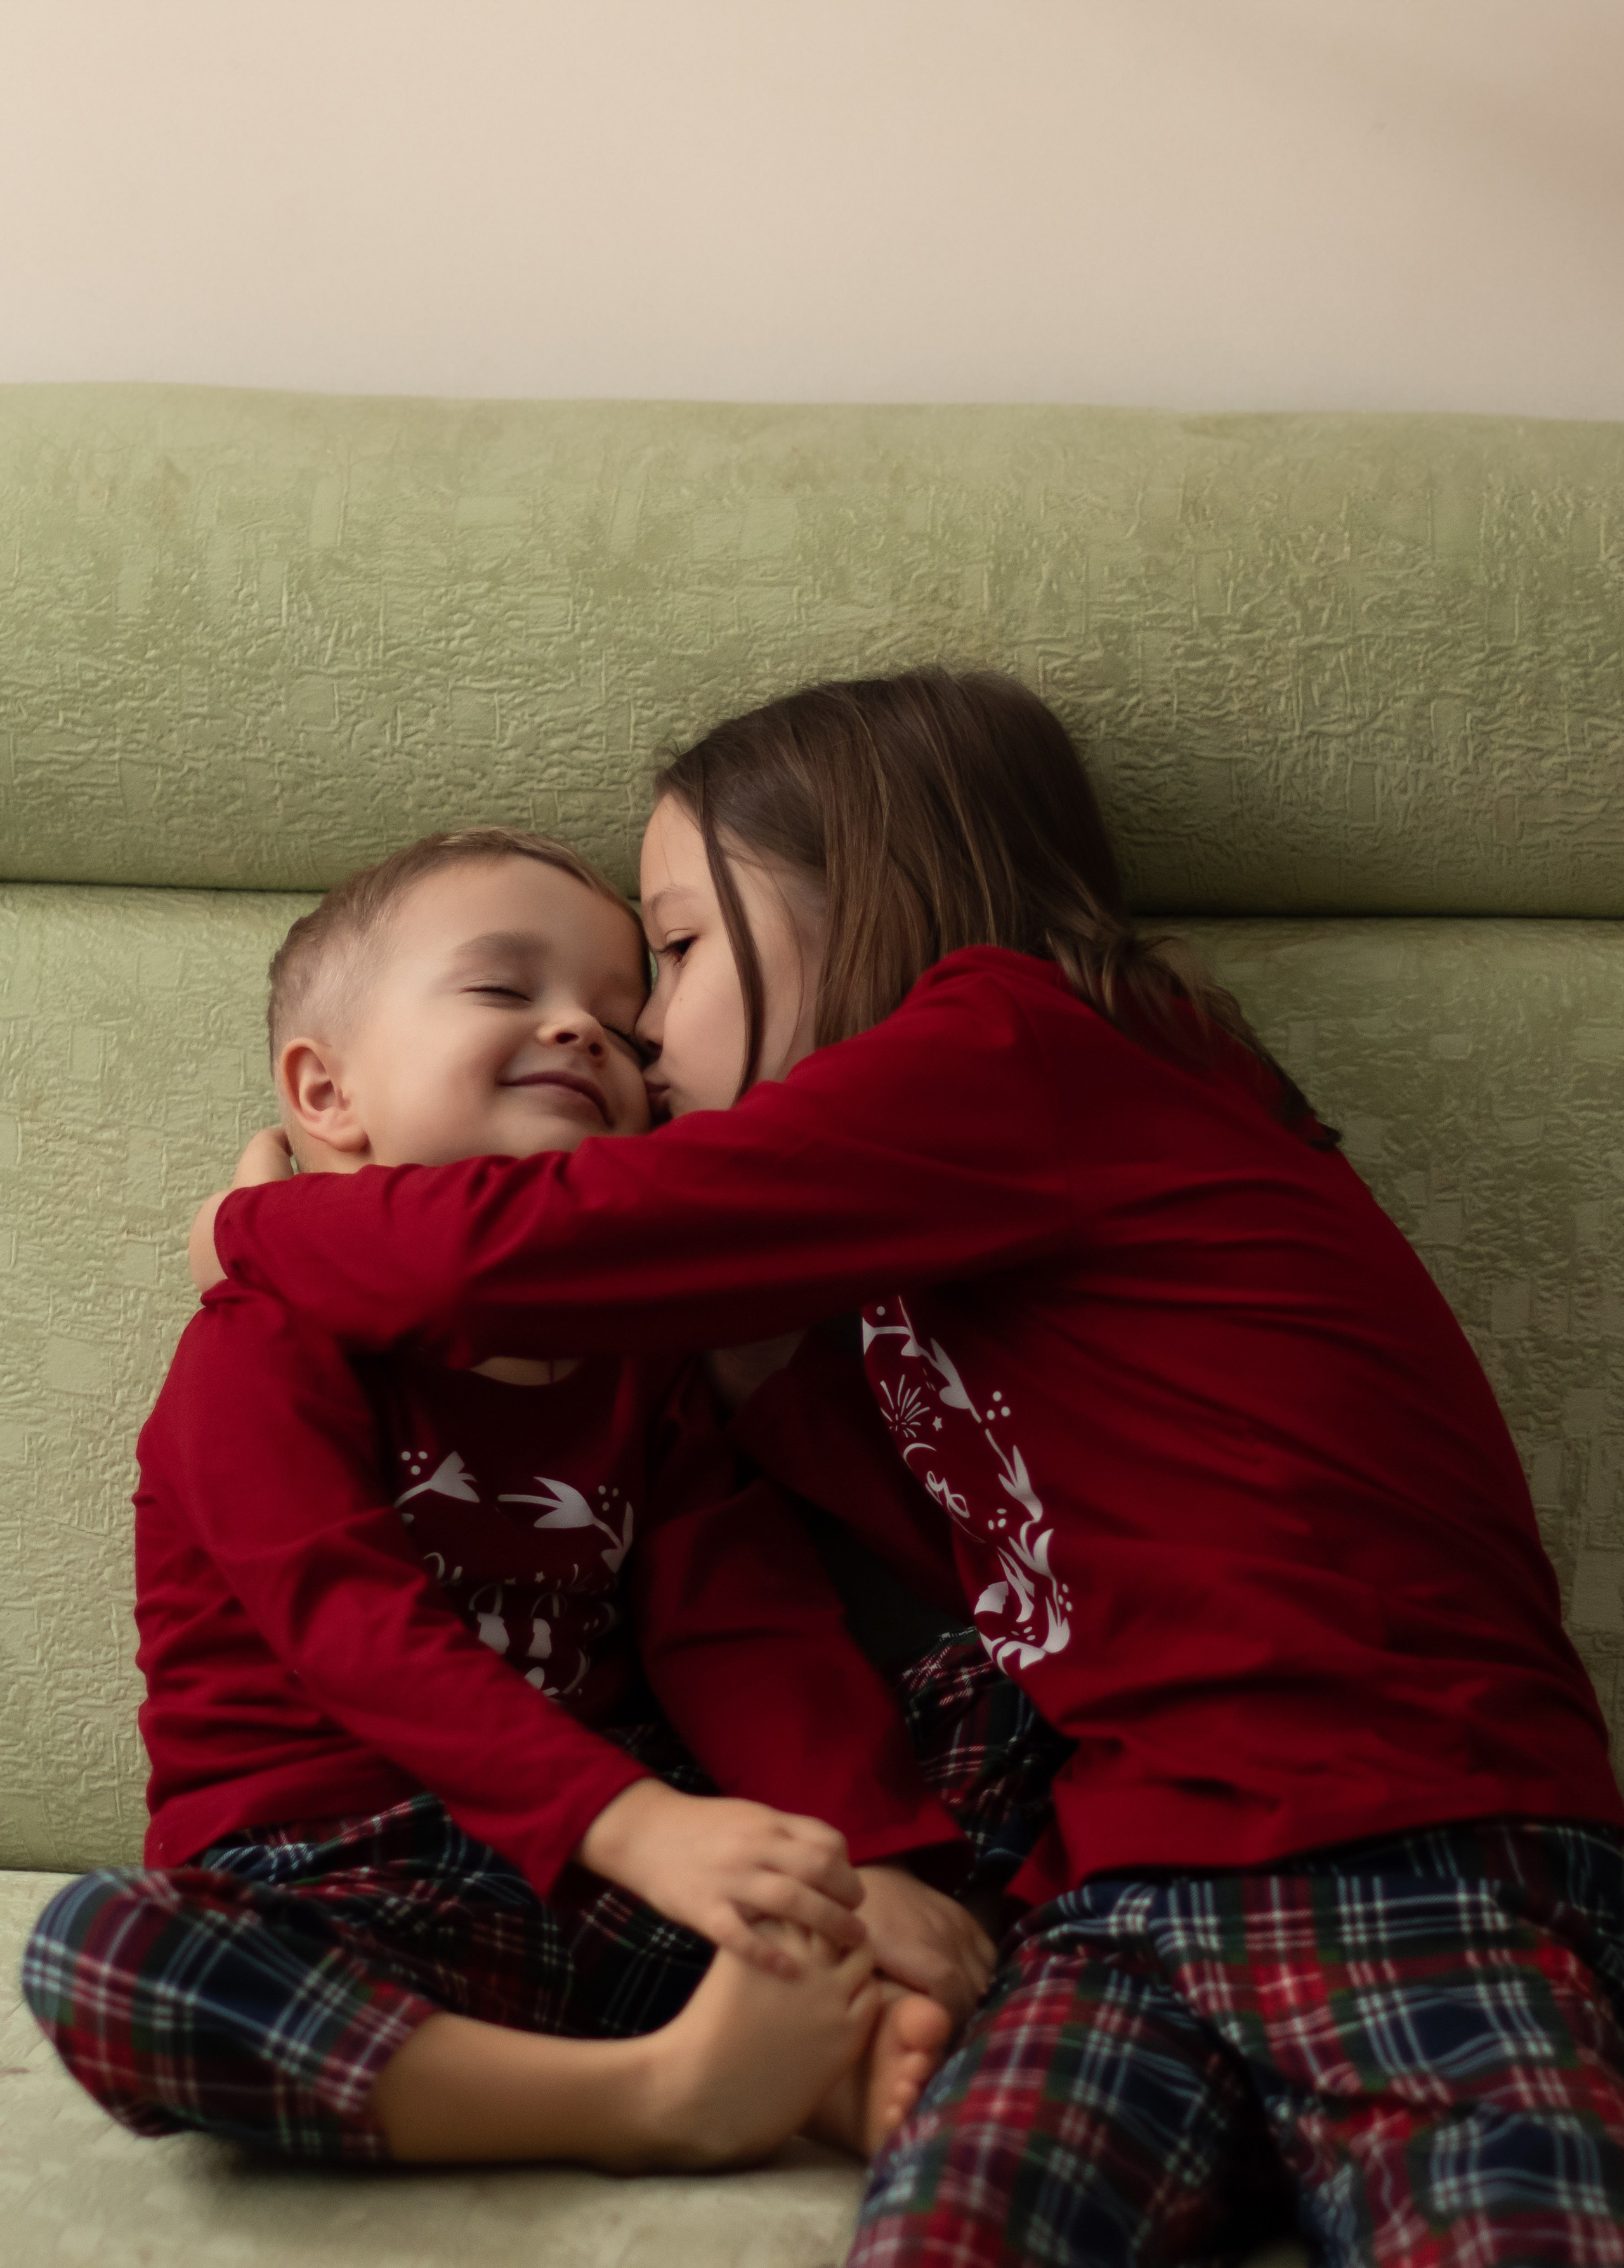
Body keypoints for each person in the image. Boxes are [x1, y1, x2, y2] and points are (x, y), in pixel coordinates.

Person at [185, 671, 1624, 2265]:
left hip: (1386, 1819)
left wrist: (260, 1228)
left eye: (675, 947)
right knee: (946, 2228)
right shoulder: (903, 1253)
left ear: (846, 893)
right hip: (1122, 1884)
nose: (648, 1028)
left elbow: (536, 1254)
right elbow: (946, 1540)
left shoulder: (1023, 1040)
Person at [23, 823, 1059, 2172]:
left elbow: (737, 1622)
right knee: (108, 1952)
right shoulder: (260, 1342)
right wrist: (642, 1829)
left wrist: (855, 1863)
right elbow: (357, 1638)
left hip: (621, 1884)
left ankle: (819, 2045)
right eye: (508, 990)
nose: (581, 1032)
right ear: (324, 1093)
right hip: (350, 1876)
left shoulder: (645, 1358)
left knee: (1017, 1675)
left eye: (627, 1032)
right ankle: (650, 2097)